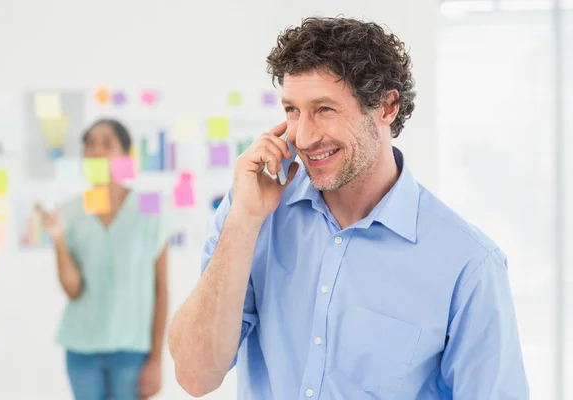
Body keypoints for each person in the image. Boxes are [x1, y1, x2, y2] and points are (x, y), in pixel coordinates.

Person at [168, 17, 529, 400]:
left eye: (324, 109)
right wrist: (243, 221)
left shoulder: (469, 264)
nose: (303, 137)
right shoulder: (251, 212)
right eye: (293, 110)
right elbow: (195, 376)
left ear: (388, 107)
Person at [38, 119, 171, 400]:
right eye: (90, 144)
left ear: (126, 154)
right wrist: (58, 240)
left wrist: (157, 360)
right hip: (81, 349)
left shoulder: (150, 207)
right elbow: (73, 290)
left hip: (132, 350)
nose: (96, 151)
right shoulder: (70, 212)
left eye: (107, 144)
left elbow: (161, 290)